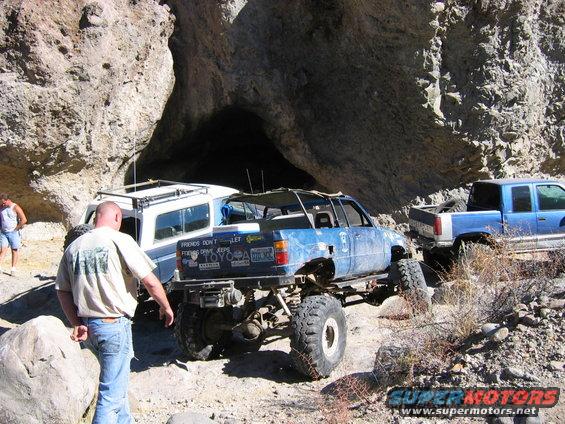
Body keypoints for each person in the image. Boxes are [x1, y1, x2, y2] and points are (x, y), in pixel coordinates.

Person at [55, 201, 174, 424]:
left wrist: (76, 323)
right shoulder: (120, 240)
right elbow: (150, 281)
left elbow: (62, 290)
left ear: (95, 218)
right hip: (113, 325)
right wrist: (166, 307)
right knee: (110, 396)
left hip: (88, 328)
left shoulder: (74, 246)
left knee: (118, 386)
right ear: (117, 217)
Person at [0, 193, 27, 276]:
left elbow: (24, 219)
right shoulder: (1, 207)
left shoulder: (15, 207)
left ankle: (13, 269)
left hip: (13, 232)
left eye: (4, 202)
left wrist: (16, 229)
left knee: (14, 250)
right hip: (3, 232)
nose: (3, 204)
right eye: (2, 203)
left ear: (8, 200)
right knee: (2, 250)